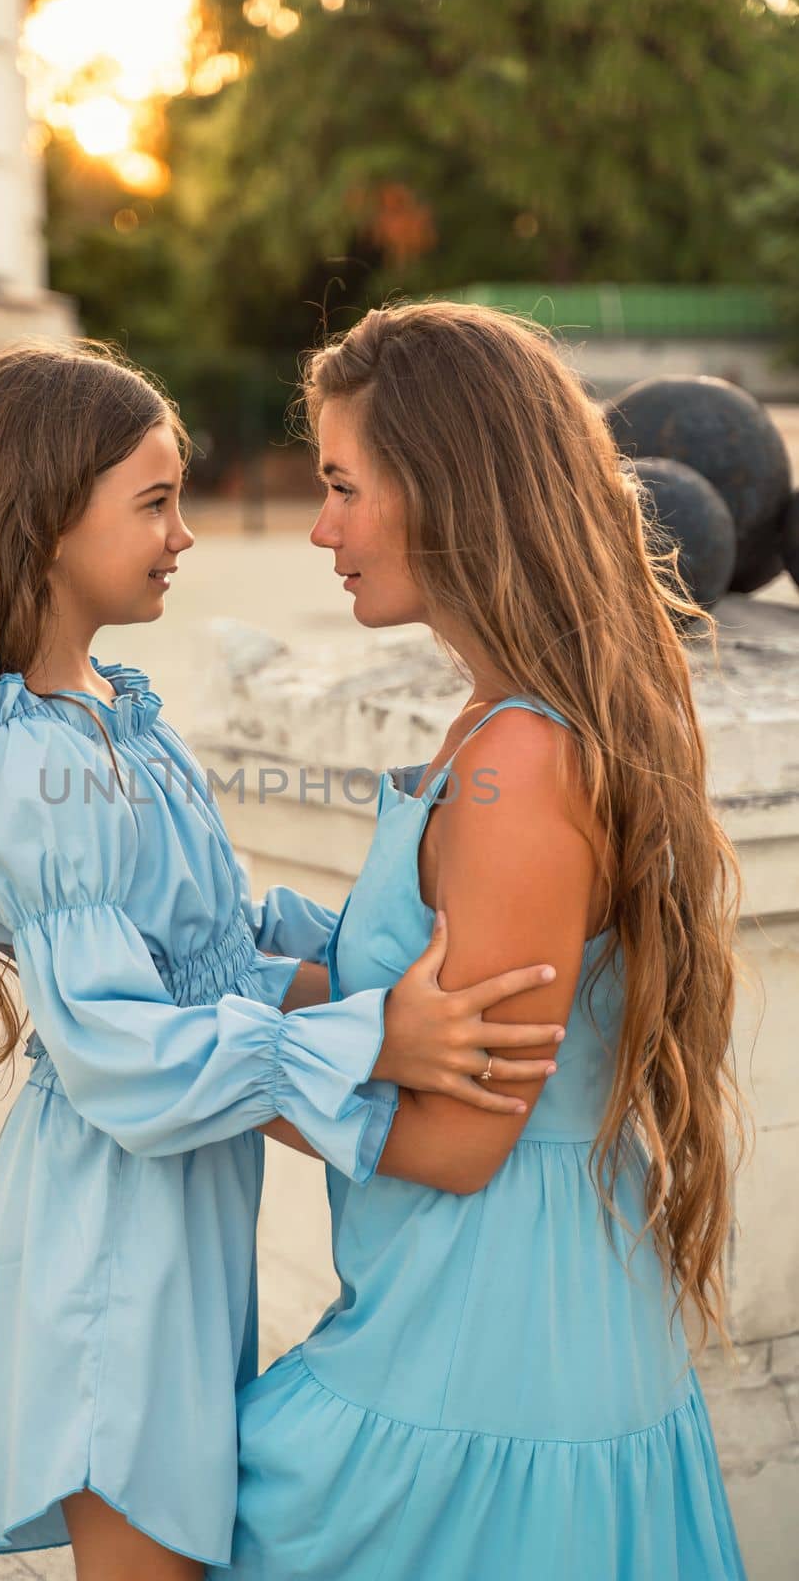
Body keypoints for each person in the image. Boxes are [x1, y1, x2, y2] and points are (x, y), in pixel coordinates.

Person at [0, 337, 568, 1580]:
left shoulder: (117, 718)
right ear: (41, 522)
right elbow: (121, 1050)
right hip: (107, 1234)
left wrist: (363, 961)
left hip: (177, 1212)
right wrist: (369, 1036)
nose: (184, 533)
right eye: (153, 502)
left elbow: (215, 949)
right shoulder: (30, 765)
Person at [211, 302, 749, 1581]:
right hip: (478, 1334)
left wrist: (206, 1066)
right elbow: (396, 1003)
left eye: (342, 486)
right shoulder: (492, 722)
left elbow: (460, 1137)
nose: (318, 526)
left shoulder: (522, 757)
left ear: (446, 487)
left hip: (487, 1370)